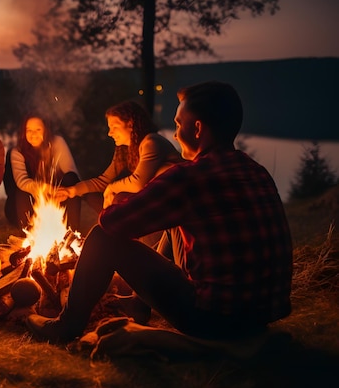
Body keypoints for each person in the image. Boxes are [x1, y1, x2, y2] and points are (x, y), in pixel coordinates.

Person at [26, 81, 293, 343]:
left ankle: (65, 326)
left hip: (212, 318)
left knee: (101, 239)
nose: (175, 135)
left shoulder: (189, 177)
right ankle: (138, 305)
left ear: (198, 129)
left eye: (178, 124)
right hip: (262, 314)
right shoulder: (256, 171)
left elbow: (112, 223)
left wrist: (118, 198)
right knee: (174, 222)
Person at [56, 100, 183, 212]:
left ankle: (114, 231)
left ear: (130, 124)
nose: (110, 133)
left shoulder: (151, 142)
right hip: (154, 197)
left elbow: (137, 183)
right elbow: (103, 181)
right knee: (91, 196)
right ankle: (110, 227)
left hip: (175, 197)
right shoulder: (125, 149)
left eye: (114, 127)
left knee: (120, 198)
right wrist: (71, 191)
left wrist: (112, 188)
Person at [4, 114, 81, 231]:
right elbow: (22, 181)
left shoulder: (57, 142)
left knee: (71, 178)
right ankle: (28, 231)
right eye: (29, 130)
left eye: (38, 129)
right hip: (29, 203)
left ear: (46, 130)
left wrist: (62, 192)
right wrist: (44, 189)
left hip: (57, 198)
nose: (33, 134)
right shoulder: (18, 151)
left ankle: (72, 229)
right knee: (22, 190)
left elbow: (71, 171)